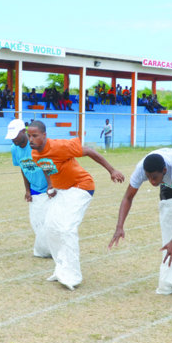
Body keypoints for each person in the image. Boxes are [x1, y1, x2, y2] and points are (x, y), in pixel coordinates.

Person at [27, 120, 124, 289]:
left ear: (44, 135)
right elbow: (46, 167)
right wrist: (50, 185)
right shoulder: (35, 154)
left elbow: (90, 152)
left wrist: (112, 170)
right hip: (61, 190)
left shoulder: (60, 146)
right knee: (50, 226)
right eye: (29, 135)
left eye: (35, 136)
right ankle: (61, 269)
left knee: (66, 228)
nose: (31, 139)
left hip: (81, 186)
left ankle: (72, 275)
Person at [109, 149, 172, 294]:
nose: (152, 182)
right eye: (148, 177)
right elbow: (127, 198)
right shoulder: (141, 169)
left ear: (164, 170)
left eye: (154, 177)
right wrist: (119, 226)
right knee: (169, 217)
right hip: (169, 179)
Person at [6, 118, 51, 258]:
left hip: (49, 188)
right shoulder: (14, 149)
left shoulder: (35, 145)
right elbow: (23, 168)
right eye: (11, 138)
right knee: (36, 222)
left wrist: (51, 186)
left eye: (15, 137)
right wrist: (27, 190)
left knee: (48, 221)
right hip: (34, 189)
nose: (13, 140)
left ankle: (49, 249)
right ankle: (45, 249)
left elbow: (46, 165)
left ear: (23, 132)